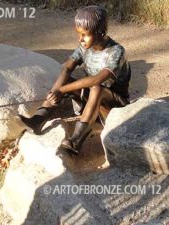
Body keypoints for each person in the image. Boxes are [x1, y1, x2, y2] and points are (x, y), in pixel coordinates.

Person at [18, 5, 131, 155]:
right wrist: (56, 91)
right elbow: (67, 68)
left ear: (100, 32)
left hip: (115, 104)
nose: (80, 39)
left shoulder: (116, 51)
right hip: (91, 98)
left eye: (85, 34)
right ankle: (39, 119)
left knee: (96, 87)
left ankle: (75, 141)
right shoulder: (84, 47)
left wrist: (62, 90)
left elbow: (97, 80)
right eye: (79, 34)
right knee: (67, 80)